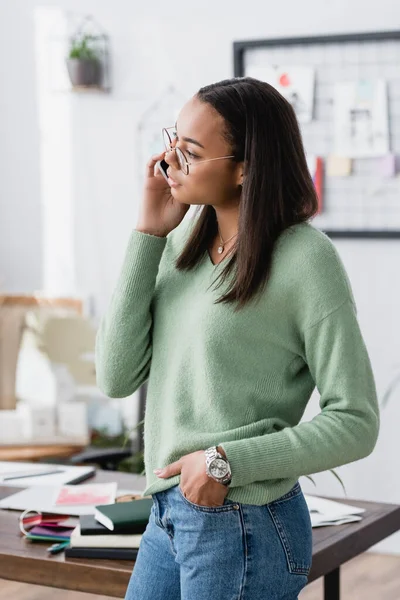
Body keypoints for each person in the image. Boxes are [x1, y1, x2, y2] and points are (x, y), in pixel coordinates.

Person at [95, 76, 380, 600]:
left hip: (244, 520)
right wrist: (147, 235)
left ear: (247, 167)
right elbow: (114, 376)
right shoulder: (179, 239)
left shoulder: (305, 260)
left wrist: (226, 462)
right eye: (171, 142)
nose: (169, 163)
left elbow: (356, 421)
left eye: (191, 151)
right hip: (168, 512)